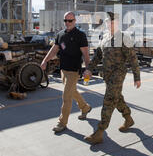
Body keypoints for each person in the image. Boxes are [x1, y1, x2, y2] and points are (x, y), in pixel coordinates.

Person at [84, 12, 141, 145]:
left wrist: (137, 77)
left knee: (109, 100)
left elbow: (133, 58)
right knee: (117, 98)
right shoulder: (104, 37)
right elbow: (98, 55)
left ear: (118, 24)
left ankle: (99, 132)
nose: (110, 24)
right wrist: (89, 68)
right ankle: (128, 118)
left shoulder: (124, 38)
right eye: (108, 22)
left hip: (118, 74)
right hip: (107, 75)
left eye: (113, 22)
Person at [41, 12, 93, 133]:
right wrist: (44, 61)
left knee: (66, 96)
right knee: (72, 91)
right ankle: (85, 107)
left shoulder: (80, 35)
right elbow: (54, 49)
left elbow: (85, 53)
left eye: (70, 21)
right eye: (66, 21)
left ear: (75, 21)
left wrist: (88, 68)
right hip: (63, 69)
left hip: (74, 70)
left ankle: (62, 123)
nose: (68, 23)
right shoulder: (60, 35)